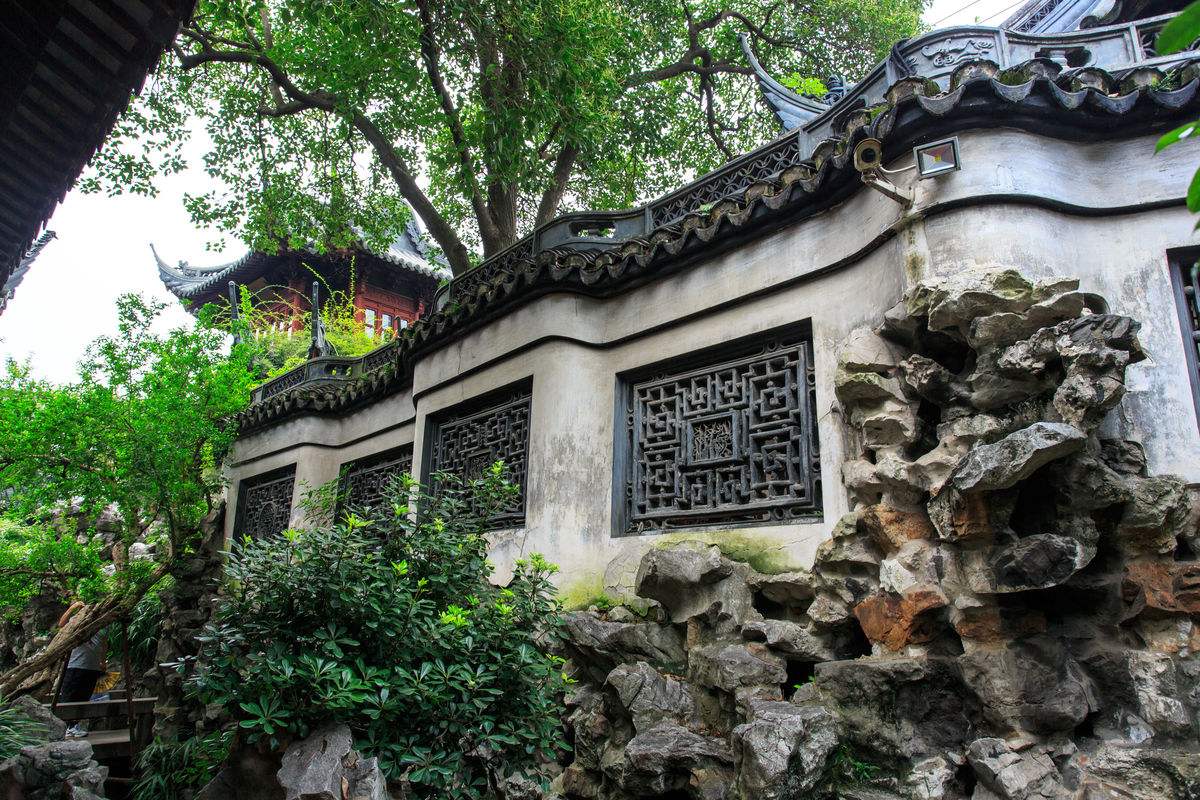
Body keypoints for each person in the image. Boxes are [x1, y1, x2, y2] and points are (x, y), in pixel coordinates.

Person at [56, 601, 108, 736]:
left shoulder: (102, 624)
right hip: (75, 665)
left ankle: (74, 726)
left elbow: (104, 643)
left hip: (92, 667)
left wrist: (102, 661)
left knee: (84, 697)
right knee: (68, 696)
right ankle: (63, 727)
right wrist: (71, 608)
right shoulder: (77, 622)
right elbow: (61, 625)